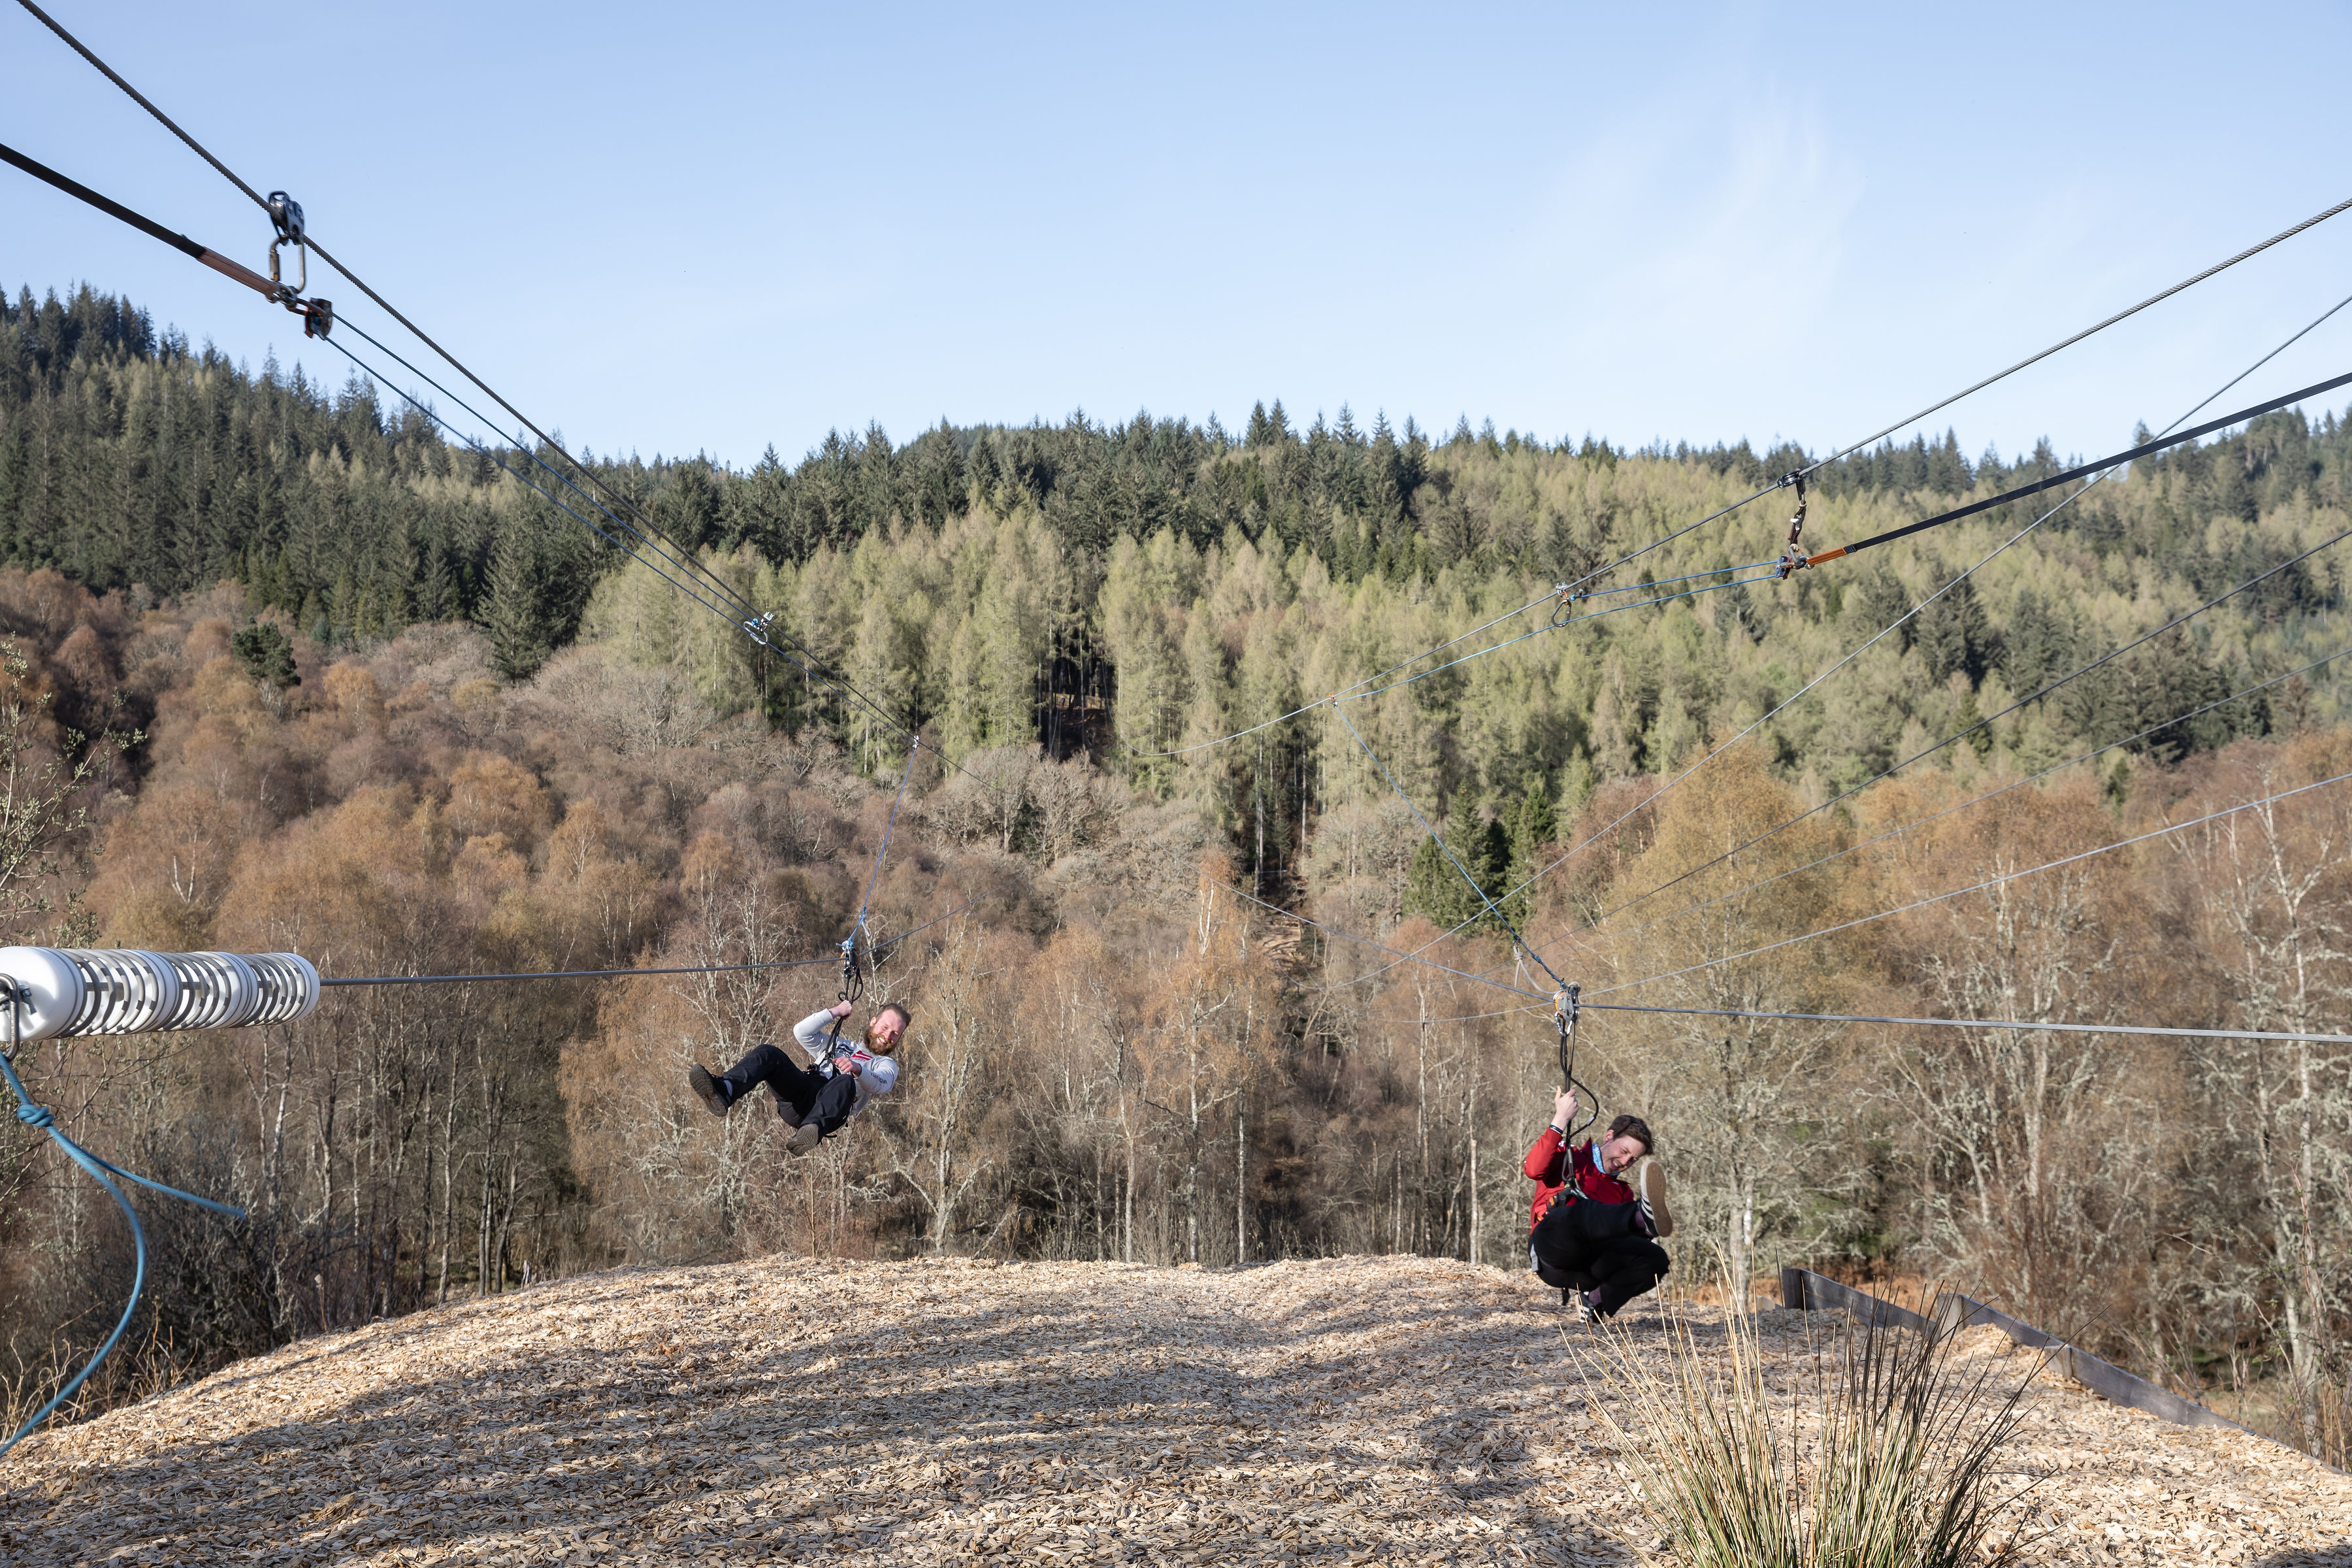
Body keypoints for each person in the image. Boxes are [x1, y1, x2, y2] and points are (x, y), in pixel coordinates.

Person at [1524, 1085, 1673, 1323]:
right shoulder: (1569, 1157)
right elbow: (1533, 1169)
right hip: (1553, 1251)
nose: (1625, 1161)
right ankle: (1640, 1218)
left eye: (1633, 1159)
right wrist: (1560, 1118)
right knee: (1579, 1211)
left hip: (1588, 1267)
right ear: (1609, 1136)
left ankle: (1594, 1300)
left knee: (1655, 1258)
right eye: (1624, 1151)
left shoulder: (1622, 1192)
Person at [687, 998, 907, 1154]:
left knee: (847, 1081)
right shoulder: (838, 1044)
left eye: (895, 1034)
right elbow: (801, 1032)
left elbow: (882, 1084)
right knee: (768, 1053)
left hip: (827, 1112)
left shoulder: (886, 1064)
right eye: (885, 1027)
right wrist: (835, 1012)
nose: (887, 1036)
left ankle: (810, 1131)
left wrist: (858, 1070)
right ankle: (725, 1090)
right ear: (873, 1022)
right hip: (801, 1096)